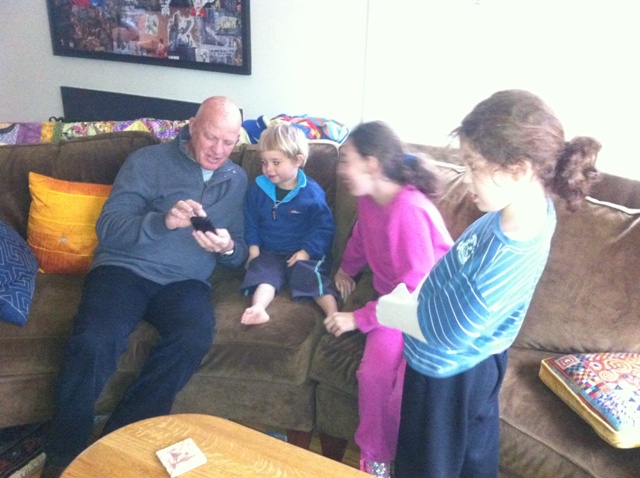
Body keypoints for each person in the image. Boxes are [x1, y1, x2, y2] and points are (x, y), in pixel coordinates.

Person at [389, 90, 601, 478]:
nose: (465, 178)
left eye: (473, 166)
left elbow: (450, 333)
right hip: (478, 355)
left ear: (518, 169)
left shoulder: (508, 251)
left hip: (448, 372)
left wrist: (397, 312)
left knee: (428, 464)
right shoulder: (525, 210)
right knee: (473, 455)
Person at [41, 96, 248, 478]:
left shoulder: (237, 179)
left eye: (229, 141)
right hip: (124, 269)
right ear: (192, 127)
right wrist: (161, 222)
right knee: (93, 342)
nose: (218, 150)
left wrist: (228, 247)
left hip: (184, 282)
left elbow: (238, 253)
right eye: (211, 137)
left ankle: (119, 440)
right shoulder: (147, 162)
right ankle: (62, 457)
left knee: (193, 338)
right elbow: (109, 228)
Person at [323, 121, 453, 477]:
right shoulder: (368, 199)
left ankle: (408, 465)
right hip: (395, 306)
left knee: (403, 394)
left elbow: (415, 287)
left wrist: (358, 318)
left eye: (346, 160)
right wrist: (345, 269)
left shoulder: (409, 208)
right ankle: (376, 459)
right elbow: (361, 237)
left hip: (431, 311)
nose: (341, 169)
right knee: (372, 376)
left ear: (372, 164)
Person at [241, 123, 338, 325]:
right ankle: (258, 308)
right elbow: (251, 221)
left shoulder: (311, 193)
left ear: (297, 161)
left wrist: (307, 251)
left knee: (309, 274)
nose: (268, 168)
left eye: (276, 162)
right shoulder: (258, 189)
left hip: (302, 252)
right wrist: (254, 249)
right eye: (264, 162)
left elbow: (323, 227)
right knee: (263, 273)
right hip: (269, 252)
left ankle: (333, 313)